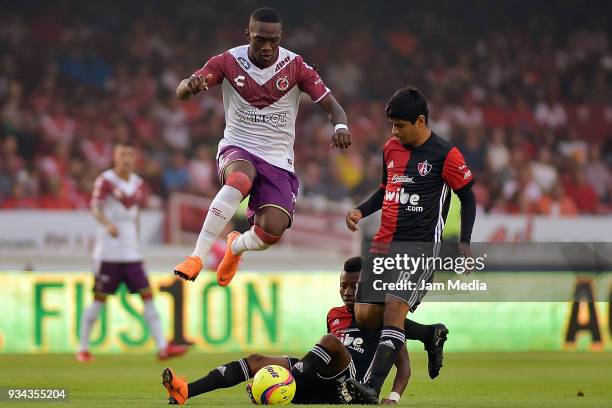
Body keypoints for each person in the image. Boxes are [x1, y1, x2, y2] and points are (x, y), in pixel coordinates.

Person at [173, 7, 351, 287]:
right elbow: (182, 91)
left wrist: (341, 127)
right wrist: (190, 86)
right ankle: (197, 255)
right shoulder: (228, 62)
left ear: (280, 37)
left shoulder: (296, 67)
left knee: (271, 232)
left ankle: (234, 248)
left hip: (278, 160)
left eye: (273, 40)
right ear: (248, 35)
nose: (267, 47)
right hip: (238, 147)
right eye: (260, 40)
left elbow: (335, 108)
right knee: (239, 179)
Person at [161, 257, 447, 405]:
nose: (347, 292)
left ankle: (286, 382)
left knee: (330, 342)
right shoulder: (334, 315)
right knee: (258, 360)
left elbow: (404, 366)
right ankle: (187, 390)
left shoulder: (382, 314)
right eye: (343, 285)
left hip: (352, 387)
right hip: (319, 383)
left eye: (354, 286)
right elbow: (320, 359)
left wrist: (392, 399)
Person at [344, 88, 476, 403]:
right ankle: (430, 334)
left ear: (420, 121)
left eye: (400, 125)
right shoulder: (391, 149)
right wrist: (361, 210)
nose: (394, 131)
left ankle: (372, 387)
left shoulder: (446, 154)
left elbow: (468, 196)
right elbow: (384, 189)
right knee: (365, 315)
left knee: (393, 307)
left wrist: (465, 243)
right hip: (382, 246)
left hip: (419, 248)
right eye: (391, 124)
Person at [76, 141, 188, 362]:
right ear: (115, 157)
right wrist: (107, 224)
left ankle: (163, 348)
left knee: (148, 297)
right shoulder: (106, 180)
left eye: (130, 154)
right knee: (98, 300)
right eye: (122, 154)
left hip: (131, 255)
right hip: (108, 253)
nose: (126, 159)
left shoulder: (138, 183)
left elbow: (135, 213)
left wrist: (136, 242)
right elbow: (95, 207)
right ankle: (83, 348)